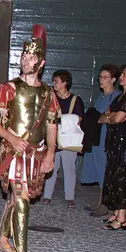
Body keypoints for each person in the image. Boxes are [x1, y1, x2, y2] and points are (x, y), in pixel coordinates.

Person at [0, 25, 58, 252]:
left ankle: (2, 238)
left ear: (41, 62)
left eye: (31, 58)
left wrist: (50, 154)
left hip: (35, 154)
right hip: (14, 153)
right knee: (22, 198)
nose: (25, 61)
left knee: (16, 199)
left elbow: (51, 126)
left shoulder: (49, 93)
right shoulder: (9, 88)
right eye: (23, 57)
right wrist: (11, 138)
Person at [99, 64, 126, 231]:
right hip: (114, 143)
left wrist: (113, 117)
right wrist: (112, 117)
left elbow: (117, 118)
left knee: (123, 179)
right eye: (122, 74)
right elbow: (105, 117)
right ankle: (116, 212)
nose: (122, 77)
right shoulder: (119, 97)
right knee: (113, 177)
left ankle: (122, 219)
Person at [81, 64, 121, 217]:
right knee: (98, 170)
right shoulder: (101, 97)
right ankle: (101, 201)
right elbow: (99, 117)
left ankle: (106, 204)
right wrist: (100, 117)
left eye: (105, 77)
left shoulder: (116, 97)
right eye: (100, 77)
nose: (101, 80)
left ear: (113, 79)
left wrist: (101, 118)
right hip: (97, 138)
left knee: (106, 170)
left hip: (107, 138)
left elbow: (109, 118)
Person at [41, 69, 85, 209]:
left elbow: (79, 119)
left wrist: (64, 122)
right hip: (53, 137)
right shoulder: (50, 98)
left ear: (65, 83)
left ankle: (70, 197)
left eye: (57, 81)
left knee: (69, 168)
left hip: (68, 139)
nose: (54, 84)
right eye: (53, 81)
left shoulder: (75, 100)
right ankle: (47, 195)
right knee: (51, 167)